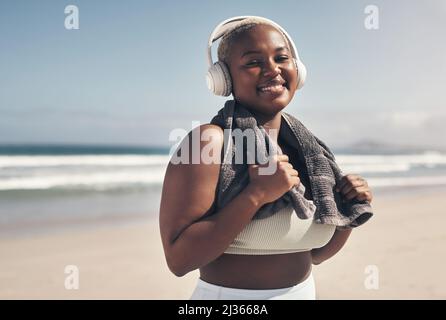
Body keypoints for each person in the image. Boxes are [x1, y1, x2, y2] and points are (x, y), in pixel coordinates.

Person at [159, 16, 373, 300]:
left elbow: (316, 254)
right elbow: (179, 260)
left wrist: (349, 210)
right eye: (253, 62)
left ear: (297, 70)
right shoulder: (208, 142)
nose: (272, 70)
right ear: (223, 79)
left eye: (281, 58)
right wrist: (255, 195)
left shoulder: (308, 152)